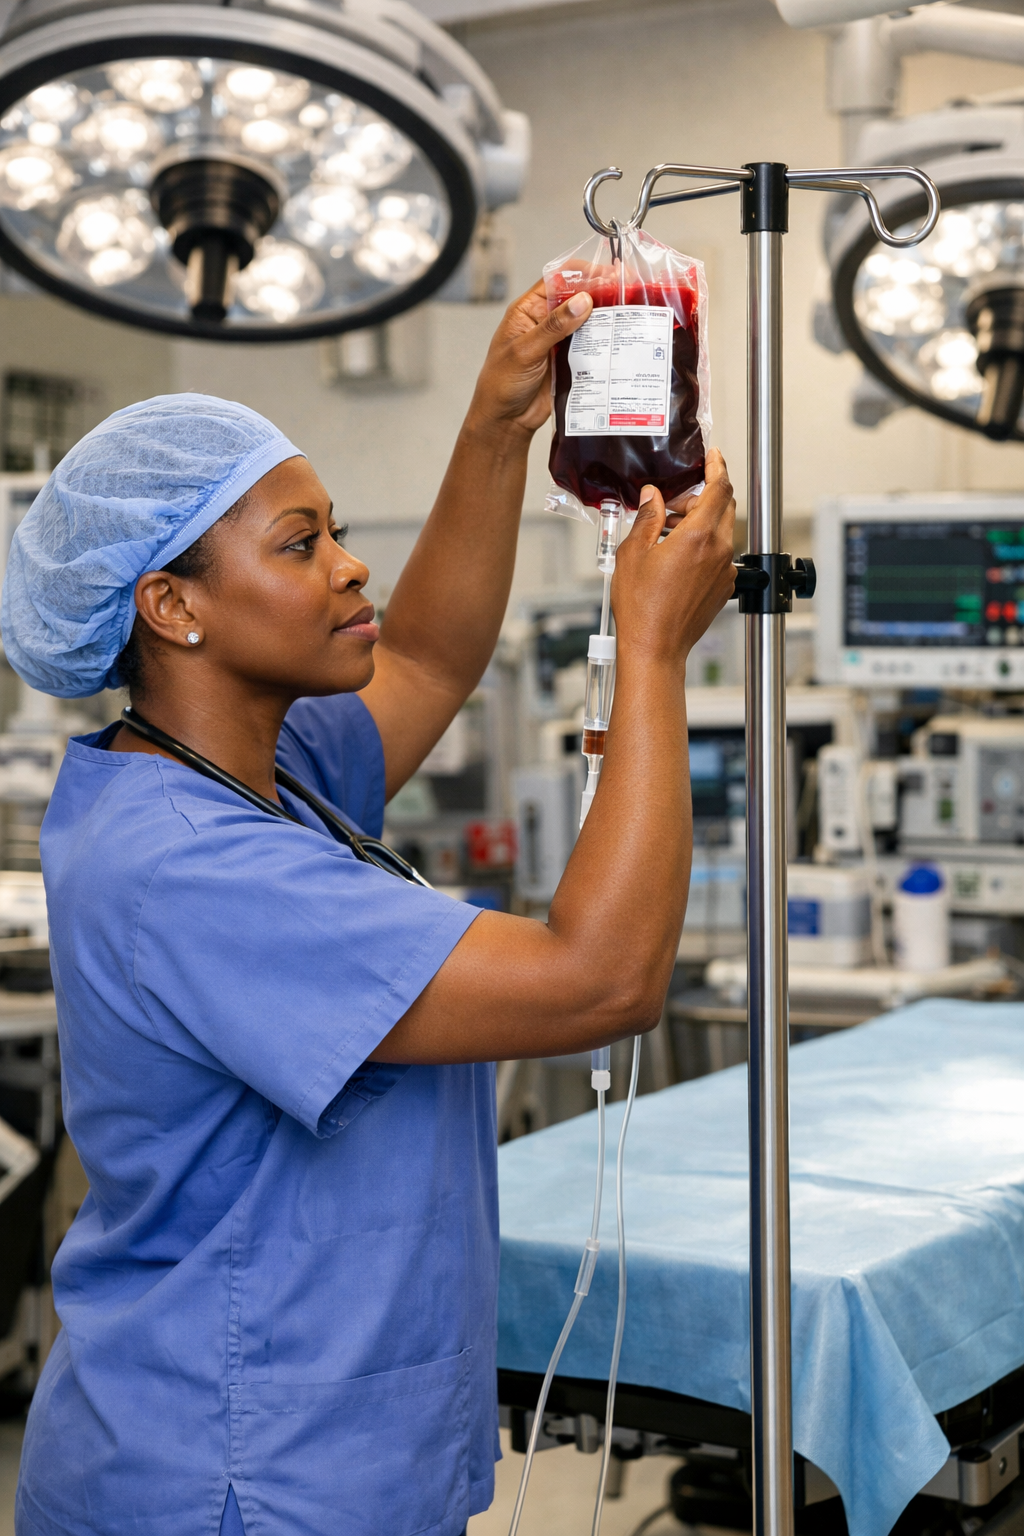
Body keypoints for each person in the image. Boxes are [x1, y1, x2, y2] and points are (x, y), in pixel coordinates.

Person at [3, 280, 736, 1536]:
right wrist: (655, 654)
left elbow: (431, 659)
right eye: (300, 545)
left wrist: (501, 421)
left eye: (335, 530)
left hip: (331, 1450)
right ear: (171, 606)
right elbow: (597, 980)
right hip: (233, 1479)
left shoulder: (256, 774)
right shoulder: (188, 865)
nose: (350, 566)